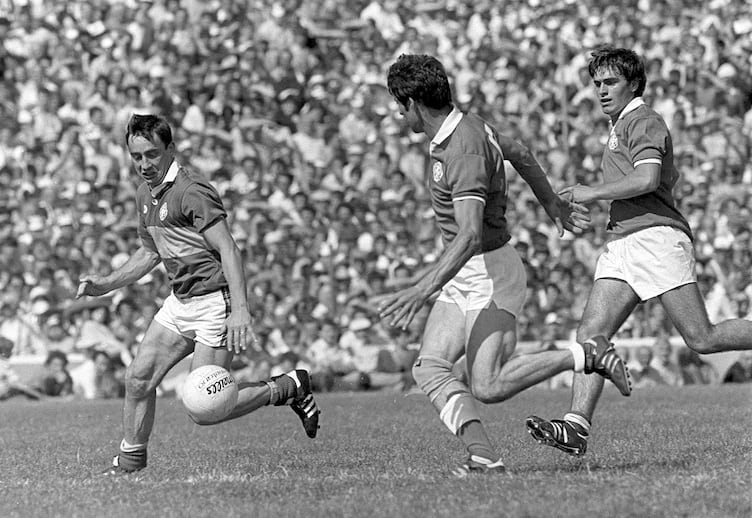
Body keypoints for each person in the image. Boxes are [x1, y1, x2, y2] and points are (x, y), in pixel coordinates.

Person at [376, 54, 631, 476]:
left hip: (488, 272)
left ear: (414, 103)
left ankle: (586, 353)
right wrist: (550, 203)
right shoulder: (470, 126)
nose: (400, 115)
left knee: (488, 385)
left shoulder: (462, 150)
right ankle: (483, 456)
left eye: (399, 106)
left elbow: (470, 234)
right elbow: (521, 152)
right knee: (431, 366)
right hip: (470, 272)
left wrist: (421, 290)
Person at [526, 46, 752, 457]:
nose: (601, 90)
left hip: (655, 238)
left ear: (634, 83)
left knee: (702, 338)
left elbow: (647, 177)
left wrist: (591, 193)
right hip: (623, 241)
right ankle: (576, 426)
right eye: (596, 83)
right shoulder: (618, 125)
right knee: (591, 335)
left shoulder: (643, 120)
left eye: (610, 82)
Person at [76, 114, 319, 475]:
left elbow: (229, 250)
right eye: (136, 156)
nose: (144, 164)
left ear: (171, 150)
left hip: (214, 304)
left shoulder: (191, 191)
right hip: (181, 302)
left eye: (152, 155)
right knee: (138, 378)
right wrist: (106, 284)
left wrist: (240, 310)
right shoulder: (146, 193)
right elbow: (149, 252)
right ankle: (130, 461)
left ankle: (286, 387)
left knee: (204, 407)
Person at [0, 336, 46, 402]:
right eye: (10, 350)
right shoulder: (3, 365)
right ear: (4, 351)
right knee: (21, 393)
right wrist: (38, 396)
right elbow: (17, 385)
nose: (12, 353)